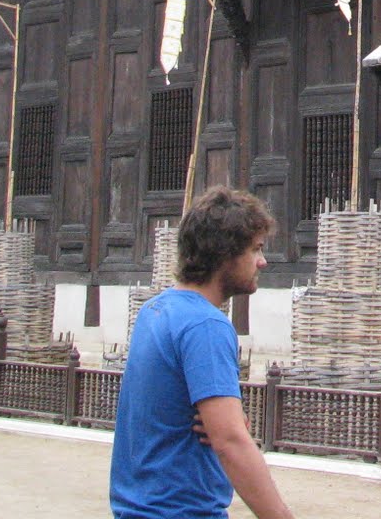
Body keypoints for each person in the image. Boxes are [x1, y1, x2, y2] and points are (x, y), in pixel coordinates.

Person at [110, 187, 295, 519]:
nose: (262, 262)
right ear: (225, 254)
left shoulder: (154, 310)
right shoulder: (205, 325)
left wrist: (226, 421)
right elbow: (230, 442)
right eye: (255, 249)